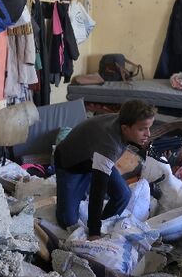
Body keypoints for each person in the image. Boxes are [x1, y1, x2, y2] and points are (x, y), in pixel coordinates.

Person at [54, 100, 157, 238]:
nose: (148, 134)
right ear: (125, 128)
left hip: (93, 157)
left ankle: (105, 225)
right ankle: (96, 228)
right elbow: (98, 191)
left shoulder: (124, 121)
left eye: (149, 127)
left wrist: (98, 226)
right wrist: (93, 232)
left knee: (123, 195)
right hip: (70, 164)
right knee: (67, 221)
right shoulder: (109, 145)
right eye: (142, 129)